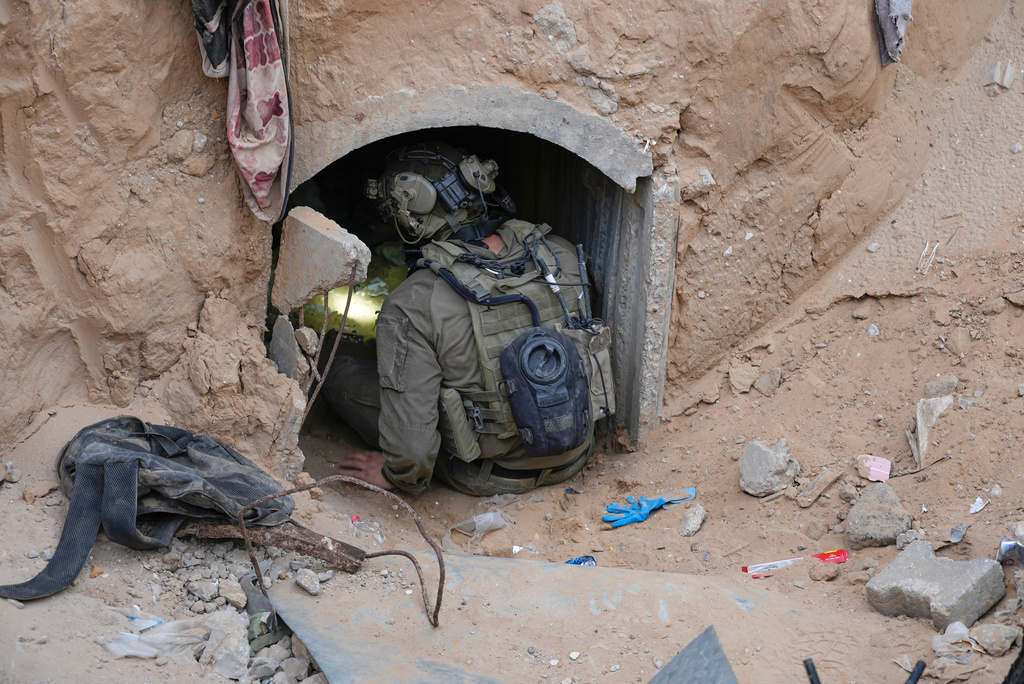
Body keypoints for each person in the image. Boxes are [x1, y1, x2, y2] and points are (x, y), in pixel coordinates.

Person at [322, 142, 613, 496]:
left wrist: (395, 475)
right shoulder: (561, 254)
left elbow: (412, 452)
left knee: (340, 376)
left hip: (494, 473)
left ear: (409, 210)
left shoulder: (414, 302)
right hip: (576, 451)